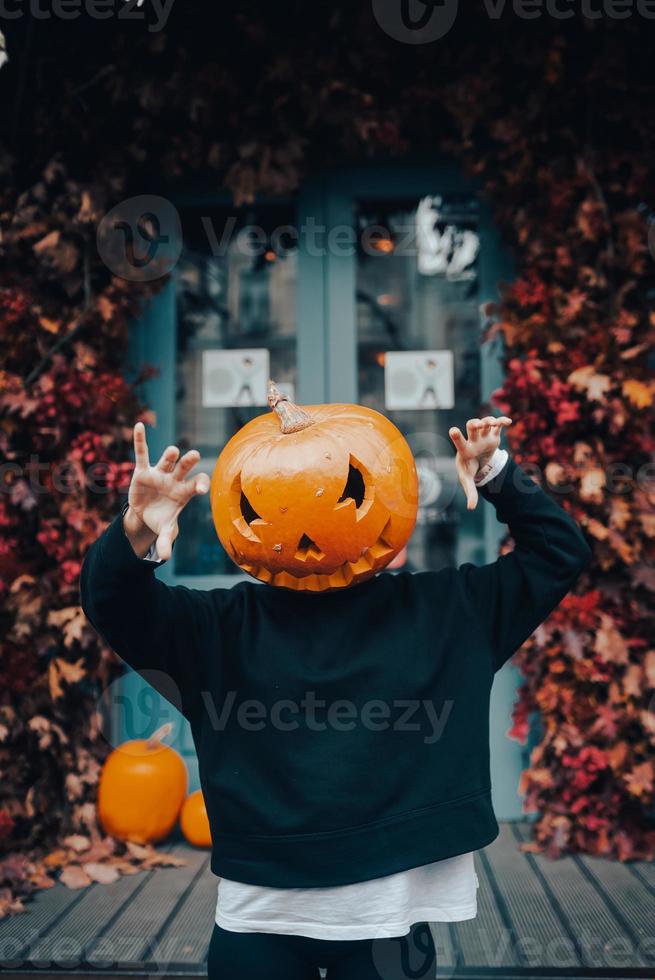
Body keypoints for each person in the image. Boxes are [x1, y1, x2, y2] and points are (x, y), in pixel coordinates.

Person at [80, 414, 592, 980]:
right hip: (262, 922)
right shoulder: (220, 630)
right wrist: (135, 529)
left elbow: (561, 554)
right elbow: (114, 601)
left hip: (387, 925)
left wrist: (497, 471)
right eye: (270, 503)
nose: (309, 525)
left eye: (351, 489)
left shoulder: (447, 612)